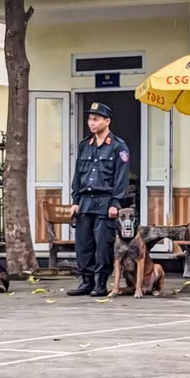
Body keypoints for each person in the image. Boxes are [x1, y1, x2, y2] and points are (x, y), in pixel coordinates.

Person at [67, 102, 130, 297]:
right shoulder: (85, 145)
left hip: (105, 201)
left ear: (107, 121)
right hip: (85, 201)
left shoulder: (118, 147)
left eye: (96, 119)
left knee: (103, 244)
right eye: (89, 119)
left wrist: (115, 203)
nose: (91, 123)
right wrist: (75, 200)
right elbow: (78, 175)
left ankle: (100, 282)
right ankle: (86, 281)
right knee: (83, 244)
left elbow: (121, 177)